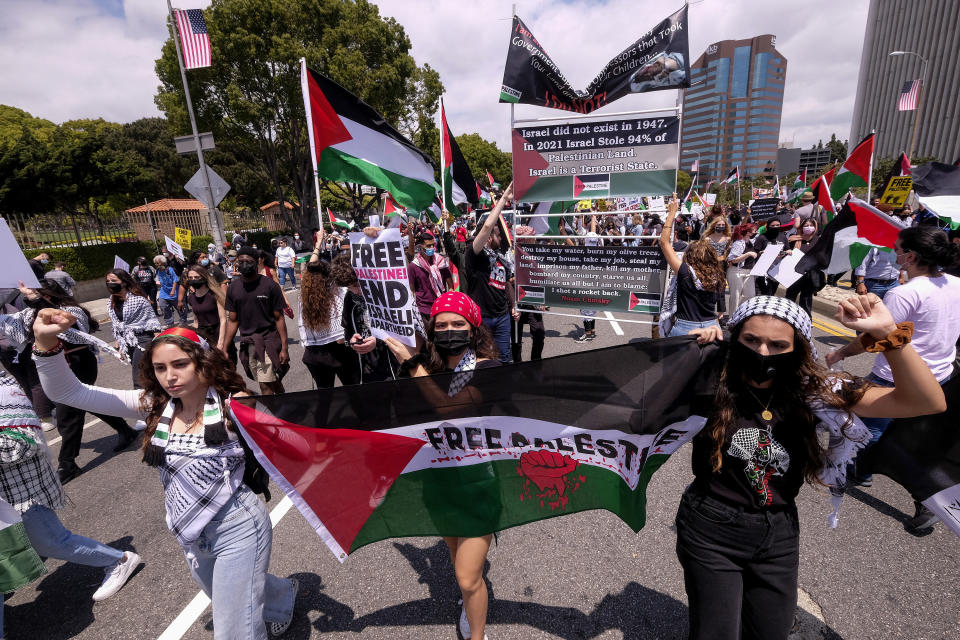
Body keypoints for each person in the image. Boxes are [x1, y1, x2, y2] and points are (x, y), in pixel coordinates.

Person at [678, 294, 945, 640]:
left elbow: (926, 401)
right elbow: (635, 392)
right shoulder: (710, 380)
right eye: (750, 340)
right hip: (711, 525)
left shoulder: (814, 392)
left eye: (777, 344)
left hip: (779, 530)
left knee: (770, 632)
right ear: (735, 337)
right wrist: (697, 349)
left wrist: (889, 334)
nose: (763, 352)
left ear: (798, 348)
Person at [32, 318, 298, 639]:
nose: (169, 377)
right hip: (187, 530)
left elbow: (298, 440)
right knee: (227, 594)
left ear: (203, 361)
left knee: (234, 629)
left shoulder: (235, 404)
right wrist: (45, 345)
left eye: (180, 364)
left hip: (238, 527)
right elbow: (69, 392)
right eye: (160, 368)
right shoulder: (154, 405)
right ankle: (282, 596)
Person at [383, 292, 500, 640]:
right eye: (442, 325)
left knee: (467, 575)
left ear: (473, 328)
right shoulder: (430, 368)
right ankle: (470, 600)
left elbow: (452, 410)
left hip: (480, 482)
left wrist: (413, 366)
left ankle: (476, 632)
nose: (450, 330)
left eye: (458, 323)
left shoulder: (490, 368)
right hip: (439, 480)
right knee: (453, 552)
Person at [826, 226, 960, 531]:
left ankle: (856, 473)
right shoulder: (956, 284)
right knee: (920, 446)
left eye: (897, 249)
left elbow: (874, 338)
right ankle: (924, 502)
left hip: (894, 379)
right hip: (941, 378)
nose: (894, 253)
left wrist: (841, 354)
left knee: (864, 430)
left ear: (910, 256)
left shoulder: (904, 293)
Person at [0, 341, 140, 631]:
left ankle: (120, 560)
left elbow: (24, 446)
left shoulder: (5, 394)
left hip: (23, 492)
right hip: (6, 500)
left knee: (52, 541)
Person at [6, 281, 139, 484]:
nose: (30, 299)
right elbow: (14, 326)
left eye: (38, 295)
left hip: (78, 362)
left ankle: (67, 463)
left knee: (67, 414)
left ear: (50, 295)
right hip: (57, 364)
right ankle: (125, 430)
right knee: (87, 401)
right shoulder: (32, 314)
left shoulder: (70, 310)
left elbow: (65, 325)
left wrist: (37, 300)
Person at [223, 247, 289, 395]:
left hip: (268, 340)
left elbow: (279, 318)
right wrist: (225, 348)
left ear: (257, 262)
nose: (245, 264)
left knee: (265, 385)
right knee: (271, 381)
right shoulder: (233, 288)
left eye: (249, 261)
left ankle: (272, 416)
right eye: (241, 261)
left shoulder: (270, 286)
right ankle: (285, 404)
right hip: (249, 343)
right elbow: (233, 321)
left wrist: (284, 347)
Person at [658, 196, 725, 336]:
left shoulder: (686, 273)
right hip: (712, 328)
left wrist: (671, 213)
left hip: (684, 329)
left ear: (689, 257)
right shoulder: (718, 276)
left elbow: (664, 243)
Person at [465, 184, 517, 363]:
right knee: (483, 360)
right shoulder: (474, 255)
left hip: (502, 317)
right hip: (482, 319)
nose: (501, 238)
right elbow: (487, 225)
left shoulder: (501, 258)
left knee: (504, 358)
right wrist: (503, 199)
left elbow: (506, 284)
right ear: (487, 237)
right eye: (497, 235)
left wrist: (513, 305)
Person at [330, 255, 398, 384]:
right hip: (366, 368)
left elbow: (403, 331)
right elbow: (348, 328)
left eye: (357, 284)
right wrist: (352, 341)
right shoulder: (350, 298)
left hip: (393, 365)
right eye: (349, 287)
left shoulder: (388, 293)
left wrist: (378, 341)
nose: (355, 291)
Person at [298, 257, 356, 388]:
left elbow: (301, 323)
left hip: (314, 352)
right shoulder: (338, 290)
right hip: (340, 349)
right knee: (354, 390)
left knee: (325, 395)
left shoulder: (304, 295)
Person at [106, 269, 162, 389]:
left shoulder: (138, 300)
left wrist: (160, 342)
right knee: (145, 373)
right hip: (127, 341)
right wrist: (119, 343)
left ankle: (142, 402)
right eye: (108, 281)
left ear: (124, 282)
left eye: (114, 280)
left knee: (138, 377)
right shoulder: (111, 301)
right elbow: (116, 324)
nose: (110, 283)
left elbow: (152, 321)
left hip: (142, 339)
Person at [184, 265, 233, 363]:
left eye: (196, 277)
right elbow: (196, 320)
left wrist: (220, 343)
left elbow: (223, 320)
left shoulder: (214, 295)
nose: (193, 280)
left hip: (218, 332)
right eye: (190, 278)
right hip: (204, 335)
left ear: (204, 277)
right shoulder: (191, 298)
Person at [409, 232, 453, 325]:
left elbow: (450, 284)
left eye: (433, 245)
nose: (432, 248)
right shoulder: (414, 266)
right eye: (428, 246)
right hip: (424, 309)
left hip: (441, 306)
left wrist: (449, 300)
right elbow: (411, 290)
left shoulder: (440, 262)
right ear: (421, 247)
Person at [784, 219, 822, 316]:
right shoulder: (793, 239)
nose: (808, 228)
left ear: (815, 227)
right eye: (806, 225)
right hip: (795, 273)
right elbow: (786, 251)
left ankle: (806, 319)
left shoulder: (818, 241)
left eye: (811, 225)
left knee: (806, 298)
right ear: (801, 227)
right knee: (790, 296)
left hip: (809, 275)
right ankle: (786, 316)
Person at [703, 217, 732, 322]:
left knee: (721, 289)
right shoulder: (707, 239)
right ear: (714, 225)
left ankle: (720, 315)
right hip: (710, 265)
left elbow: (728, 252)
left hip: (723, 265)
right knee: (709, 287)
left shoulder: (728, 238)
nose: (721, 227)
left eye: (723, 225)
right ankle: (708, 311)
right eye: (718, 225)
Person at [726, 223, 758, 313]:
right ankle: (732, 319)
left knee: (750, 295)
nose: (756, 231)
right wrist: (748, 254)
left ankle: (739, 313)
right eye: (754, 229)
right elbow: (733, 260)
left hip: (749, 271)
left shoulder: (751, 242)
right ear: (748, 231)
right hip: (736, 271)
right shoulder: (738, 243)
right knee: (735, 296)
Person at [752, 219, 787, 296]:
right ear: (768, 226)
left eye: (777, 225)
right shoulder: (761, 237)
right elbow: (755, 253)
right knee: (765, 293)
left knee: (772, 293)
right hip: (763, 271)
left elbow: (787, 249)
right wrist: (761, 253)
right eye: (773, 225)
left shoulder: (783, 237)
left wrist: (784, 253)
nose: (775, 227)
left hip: (776, 271)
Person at [154, 255, 186, 327]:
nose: (156, 265)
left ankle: (183, 320)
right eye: (155, 263)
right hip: (164, 292)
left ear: (162, 262)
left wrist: (172, 290)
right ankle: (169, 323)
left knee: (179, 307)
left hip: (174, 291)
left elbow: (175, 280)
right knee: (163, 305)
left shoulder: (170, 269)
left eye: (158, 263)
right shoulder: (158, 271)